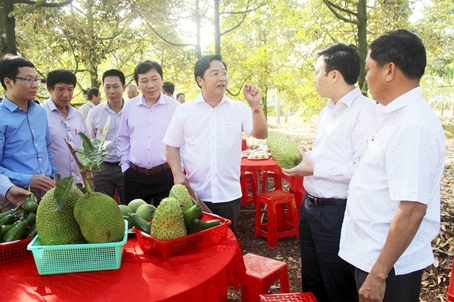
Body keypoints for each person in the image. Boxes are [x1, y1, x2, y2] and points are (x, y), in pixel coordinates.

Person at [338, 29, 446, 302]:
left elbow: (411, 209)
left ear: (389, 71)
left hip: (387, 266)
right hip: (370, 254)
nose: (365, 77)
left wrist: (378, 275)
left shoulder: (413, 125)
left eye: (368, 69)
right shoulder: (392, 115)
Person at [282, 44, 377, 301]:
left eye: (317, 72)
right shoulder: (327, 110)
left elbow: (363, 169)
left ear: (334, 75)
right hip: (310, 207)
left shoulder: (365, 111)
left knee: (337, 284)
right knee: (312, 281)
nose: (314, 79)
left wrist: (315, 167)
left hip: (337, 212)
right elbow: (325, 155)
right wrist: (304, 159)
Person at [163, 54, 268, 233]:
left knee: (226, 246)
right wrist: (177, 174)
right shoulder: (184, 111)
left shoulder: (239, 109)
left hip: (228, 195)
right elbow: (171, 145)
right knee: (198, 249)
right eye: (215, 73)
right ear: (200, 80)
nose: (222, 78)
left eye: (224, 73)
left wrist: (256, 106)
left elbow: (261, 133)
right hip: (195, 195)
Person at [117, 61, 180, 206]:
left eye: (154, 79)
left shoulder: (175, 108)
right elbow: (122, 138)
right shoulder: (129, 107)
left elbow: (182, 142)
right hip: (135, 176)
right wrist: (125, 167)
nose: (150, 85)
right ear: (138, 85)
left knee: (168, 223)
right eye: (144, 81)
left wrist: (179, 170)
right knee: (135, 221)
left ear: (162, 80)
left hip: (166, 175)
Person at [0, 54, 56, 201]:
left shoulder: (40, 112)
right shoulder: (1, 117)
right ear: (8, 82)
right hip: (17, 194)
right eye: (28, 79)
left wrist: (53, 175)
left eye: (36, 79)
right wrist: (27, 179)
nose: (35, 85)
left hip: (48, 190)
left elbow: (46, 148)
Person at [86, 69, 126, 204]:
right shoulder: (94, 113)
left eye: (116, 87)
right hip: (102, 168)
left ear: (123, 87)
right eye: (107, 87)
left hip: (126, 167)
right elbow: (89, 141)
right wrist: (90, 169)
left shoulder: (131, 111)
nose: (111, 91)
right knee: (102, 208)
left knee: (129, 206)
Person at [42, 69, 88, 186]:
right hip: (52, 184)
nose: (66, 94)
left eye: (70, 89)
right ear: (49, 89)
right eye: (60, 89)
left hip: (79, 183)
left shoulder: (78, 115)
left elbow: (86, 146)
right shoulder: (40, 114)